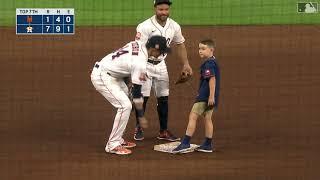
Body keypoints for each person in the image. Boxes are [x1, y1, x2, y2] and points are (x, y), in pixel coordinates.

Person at [91, 36, 170, 155]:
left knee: (127, 100)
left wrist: (128, 82)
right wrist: (141, 116)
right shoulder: (140, 63)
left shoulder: (137, 43)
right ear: (154, 50)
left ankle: (119, 139)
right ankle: (112, 144)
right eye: (161, 51)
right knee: (125, 106)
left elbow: (125, 63)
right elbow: (138, 94)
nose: (162, 54)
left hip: (113, 74)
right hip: (103, 76)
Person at [133, 0, 193, 141]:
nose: (164, 12)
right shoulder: (144, 26)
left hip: (161, 65)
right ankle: (138, 127)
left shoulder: (174, 26)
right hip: (145, 64)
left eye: (166, 9)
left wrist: (186, 64)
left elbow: (180, 44)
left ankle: (163, 131)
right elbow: (138, 49)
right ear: (155, 9)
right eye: (161, 9)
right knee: (143, 97)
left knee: (164, 98)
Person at [172, 39, 220, 153]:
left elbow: (212, 79)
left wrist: (210, 96)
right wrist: (213, 97)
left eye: (203, 49)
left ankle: (185, 143)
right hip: (211, 97)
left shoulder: (208, 64)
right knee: (207, 118)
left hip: (205, 97)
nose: (200, 51)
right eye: (199, 48)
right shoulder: (213, 62)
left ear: (211, 49)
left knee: (192, 117)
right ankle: (208, 144)